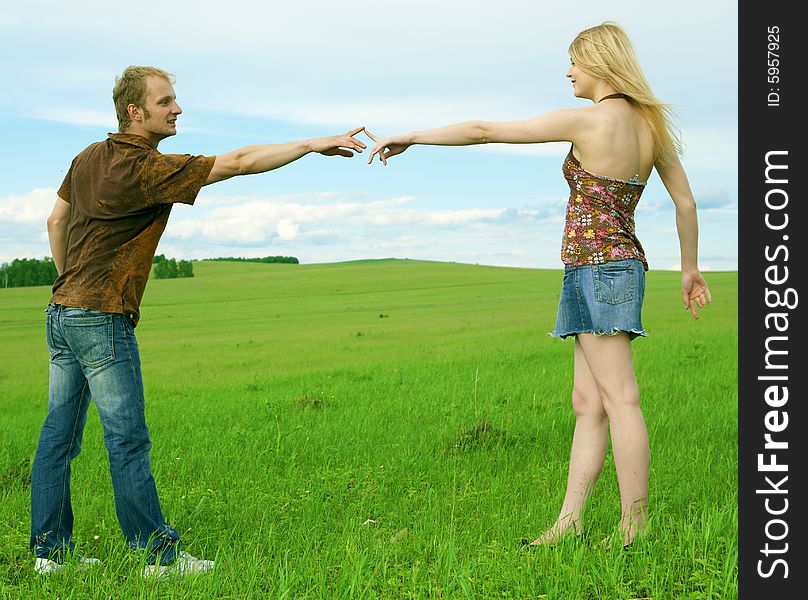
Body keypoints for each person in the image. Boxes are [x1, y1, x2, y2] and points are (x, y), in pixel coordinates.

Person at [367, 22, 711, 548]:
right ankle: (567, 523)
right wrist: (690, 269)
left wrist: (412, 136)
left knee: (620, 398)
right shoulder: (650, 128)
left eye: (573, 61)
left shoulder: (588, 120)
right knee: (587, 402)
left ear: (598, 62)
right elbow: (685, 203)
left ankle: (634, 527)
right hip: (615, 266)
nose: (568, 71)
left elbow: (484, 130)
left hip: (597, 267)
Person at [32, 65, 367, 576]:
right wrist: (312, 144)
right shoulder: (146, 169)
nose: (177, 108)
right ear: (134, 111)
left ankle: (50, 558)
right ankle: (158, 559)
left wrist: (68, 285)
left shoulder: (87, 157)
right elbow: (237, 162)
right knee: (126, 439)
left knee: (58, 438)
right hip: (100, 318)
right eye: (166, 101)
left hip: (62, 313)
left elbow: (56, 220)